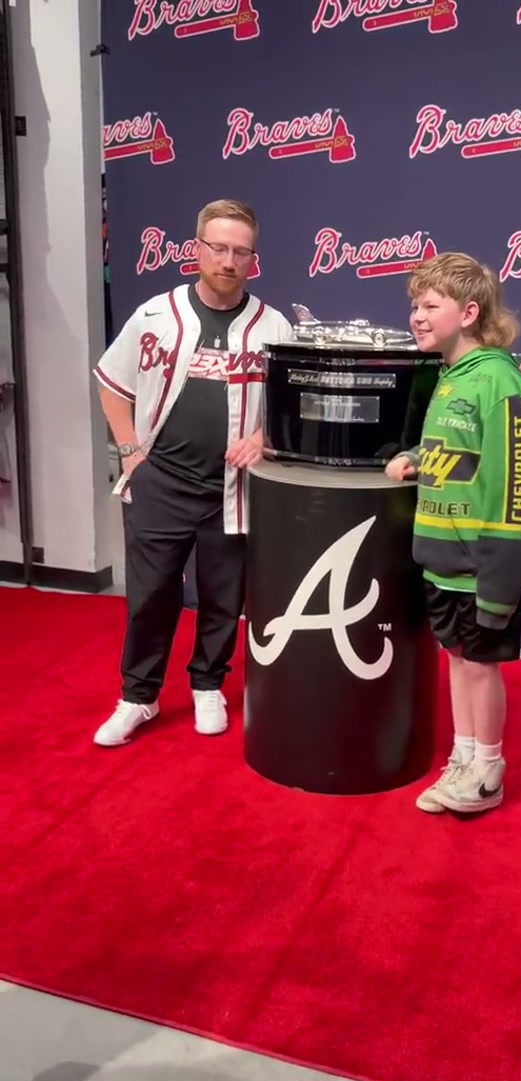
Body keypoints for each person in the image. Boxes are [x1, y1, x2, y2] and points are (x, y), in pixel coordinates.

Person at [93, 199, 292, 746]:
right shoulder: (157, 314)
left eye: (240, 252)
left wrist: (263, 438)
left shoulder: (273, 325)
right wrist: (130, 450)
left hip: (232, 489)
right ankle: (139, 696)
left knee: (223, 597)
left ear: (253, 259)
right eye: (218, 248)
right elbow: (113, 383)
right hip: (161, 481)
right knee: (151, 594)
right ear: (196, 250)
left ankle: (208, 684)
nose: (228, 261)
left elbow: (291, 404)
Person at [386, 252, 521, 814]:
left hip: (483, 565)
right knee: (456, 658)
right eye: (414, 306)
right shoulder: (449, 378)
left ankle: (489, 770)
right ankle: (464, 757)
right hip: (442, 562)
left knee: (479, 665)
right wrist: (414, 457)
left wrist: (502, 578)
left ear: (470, 312)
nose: (417, 316)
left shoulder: (500, 381)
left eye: (431, 305)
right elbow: (455, 454)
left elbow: (515, 483)